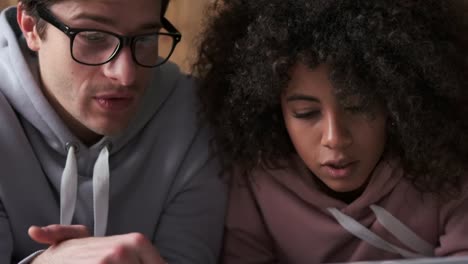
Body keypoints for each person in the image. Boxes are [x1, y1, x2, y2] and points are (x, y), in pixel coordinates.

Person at [194, 0, 468, 263]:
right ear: (272, 109)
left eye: (358, 107)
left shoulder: (445, 171)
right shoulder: (258, 177)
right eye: (306, 113)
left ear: (397, 101)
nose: (334, 138)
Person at [0, 0, 227, 263]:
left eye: (145, 38)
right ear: (30, 26)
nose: (126, 75)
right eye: (94, 37)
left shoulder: (195, 114)